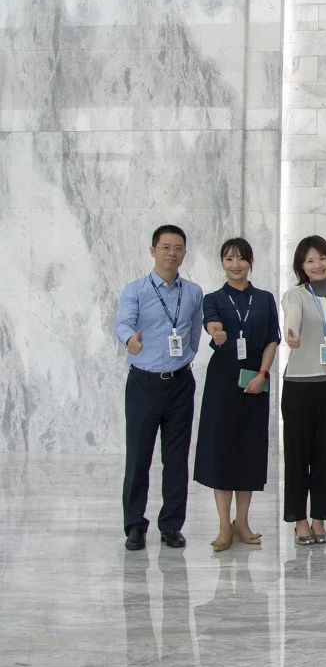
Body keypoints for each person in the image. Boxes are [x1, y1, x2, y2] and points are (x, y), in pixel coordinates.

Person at [116, 224, 205, 550]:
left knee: (177, 458)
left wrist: (185, 359)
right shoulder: (136, 290)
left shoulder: (193, 292)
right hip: (144, 383)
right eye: (165, 247)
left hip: (180, 384)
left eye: (178, 248)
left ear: (184, 253)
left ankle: (171, 525)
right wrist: (131, 341)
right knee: (138, 456)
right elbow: (124, 323)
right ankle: (134, 525)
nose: (172, 253)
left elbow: (194, 331)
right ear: (153, 251)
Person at [194, 238, 280, 551]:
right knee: (222, 449)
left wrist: (262, 375)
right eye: (229, 259)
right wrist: (216, 333)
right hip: (223, 380)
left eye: (241, 258)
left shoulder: (265, 299)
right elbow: (212, 324)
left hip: (255, 378)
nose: (235, 265)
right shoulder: (213, 298)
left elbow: (272, 340)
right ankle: (223, 526)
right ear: (222, 263)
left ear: (251, 262)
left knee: (249, 449)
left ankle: (242, 522)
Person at [280, 235, 326, 546]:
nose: (317, 265)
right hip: (299, 385)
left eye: (322, 258)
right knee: (297, 455)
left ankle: (320, 519)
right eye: (309, 261)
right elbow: (292, 317)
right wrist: (291, 333)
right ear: (301, 267)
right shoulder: (294, 295)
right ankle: (299, 521)